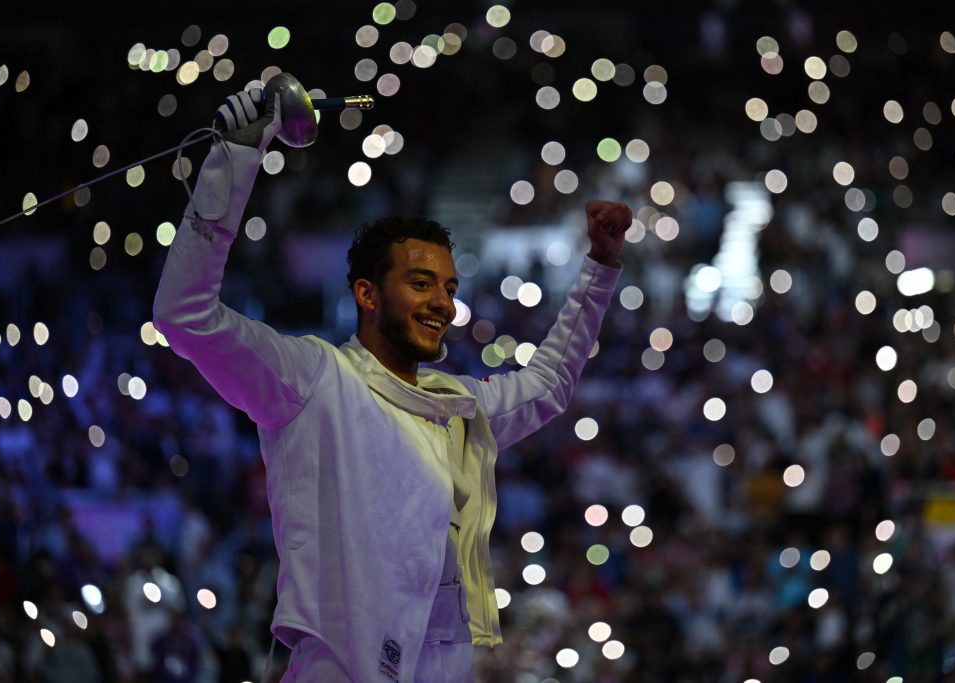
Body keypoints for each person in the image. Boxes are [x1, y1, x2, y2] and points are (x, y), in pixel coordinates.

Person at [153, 76, 633, 683]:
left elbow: (551, 382)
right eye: (422, 284)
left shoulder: (455, 408)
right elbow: (185, 315)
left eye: (451, 289)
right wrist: (234, 159)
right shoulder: (313, 381)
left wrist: (600, 268)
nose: (444, 304)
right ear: (367, 293)